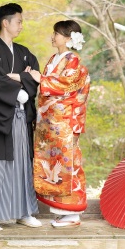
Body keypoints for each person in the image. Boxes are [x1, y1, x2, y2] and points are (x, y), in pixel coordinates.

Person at [0, 3, 42, 232]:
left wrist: (20, 79)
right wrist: (20, 86)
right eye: (19, 21)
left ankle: (24, 212)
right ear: (6, 22)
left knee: (23, 164)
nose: (21, 25)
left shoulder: (24, 52)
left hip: (21, 117)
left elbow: (36, 74)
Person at [31, 20, 91, 227]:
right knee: (54, 166)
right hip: (50, 122)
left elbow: (68, 86)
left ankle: (72, 213)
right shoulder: (55, 58)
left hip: (64, 121)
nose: (53, 36)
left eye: (56, 33)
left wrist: (41, 79)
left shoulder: (72, 59)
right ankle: (63, 211)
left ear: (67, 38)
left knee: (68, 166)